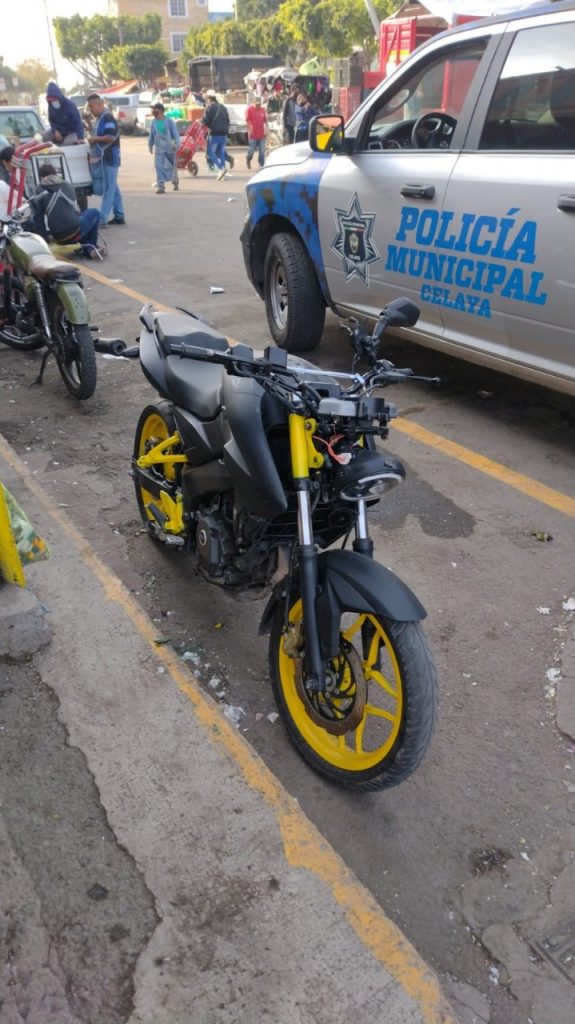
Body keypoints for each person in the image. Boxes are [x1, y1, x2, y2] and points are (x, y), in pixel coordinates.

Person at [29, 164, 105, 259]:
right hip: (74, 231)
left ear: (41, 177)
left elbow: (38, 220)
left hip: (58, 236)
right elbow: (75, 210)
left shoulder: (38, 190)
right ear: (55, 174)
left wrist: (45, 241)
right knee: (95, 213)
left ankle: (89, 249)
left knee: (76, 224)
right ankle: (91, 246)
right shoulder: (67, 186)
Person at [86, 94, 125, 228]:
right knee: (113, 187)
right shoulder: (100, 119)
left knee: (109, 189)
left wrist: (95, 139)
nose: (90, 110)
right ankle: (119, 215)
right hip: (104, 157)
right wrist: (88, 125)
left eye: (91, 107)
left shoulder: (107, 118)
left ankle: (102, 219)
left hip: (110, 157)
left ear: (100, 105)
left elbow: (111, 137)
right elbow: (97, 133)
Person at [148, 103, 180, 194]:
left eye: (155, 110)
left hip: (170, 148)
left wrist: (177, 144)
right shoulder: (154, 122)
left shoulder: (169, 121)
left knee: (172, 166)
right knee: (158, 167)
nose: (153, 111)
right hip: (159, 148)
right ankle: (161, 186)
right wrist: (150, 145)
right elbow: (152, 135)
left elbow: (175, 134)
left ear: (161, 111)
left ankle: (175, 181)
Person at [202, 90, 230, 181]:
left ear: (208, 98)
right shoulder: (223, 107)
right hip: (224, 133)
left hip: (215, 133)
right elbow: (228, 120)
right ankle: (222, 173)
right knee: (220, 153)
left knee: (210, 153)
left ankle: (221, 168)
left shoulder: (210, 107)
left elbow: (205, 120)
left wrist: (201, 122)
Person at [245, 96, 267, 170]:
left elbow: (265, 120)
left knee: (262, 151)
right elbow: (247, 120)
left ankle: (261, 165)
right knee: (251, 150)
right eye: (256, 104)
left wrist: (266, 129)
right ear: (254, 103)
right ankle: (248, 159)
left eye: (259, 104)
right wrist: (249, 129)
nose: (258, 105)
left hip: (262, 134)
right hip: (253, 134)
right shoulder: (249, 109)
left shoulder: (262, 110)